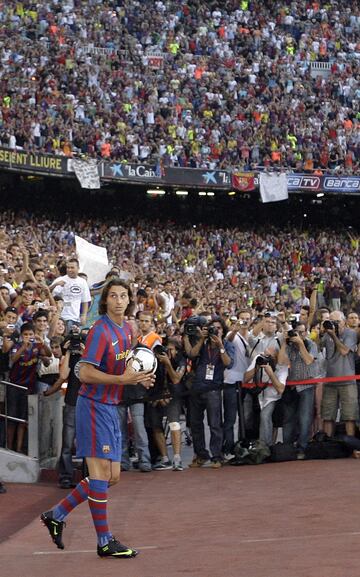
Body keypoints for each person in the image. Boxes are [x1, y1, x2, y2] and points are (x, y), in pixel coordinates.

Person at [41, 279, 154, 558]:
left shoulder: (127, 330)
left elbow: (126, 365)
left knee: (111, 477)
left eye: (123, 295)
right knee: (101, 476)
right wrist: (121, 379)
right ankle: (104, 541)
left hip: (111, 407)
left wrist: (139, 377)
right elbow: (83, 372)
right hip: (92, 406)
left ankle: (56, 514)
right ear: (105, 301)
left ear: (129, 300)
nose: (118, 300)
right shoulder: (100, 332)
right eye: (113, 295)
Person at [185, 316, 234, 468]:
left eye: (219, 328)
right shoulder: (203, 342)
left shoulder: (227, 344)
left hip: (213, 388)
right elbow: (192, 354)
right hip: (197, 387)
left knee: (215, 424)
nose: (216, 331)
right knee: (195, 424)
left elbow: (228, 364)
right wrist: (201, 339)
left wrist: (220, 346)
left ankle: (217, 456)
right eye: (213, 328)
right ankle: (201, 455)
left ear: (223, 330)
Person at [281, 322, 318, 459]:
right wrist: (285, 343)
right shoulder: (289, 345)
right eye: (297, 332)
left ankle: (302, 448)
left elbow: (309, 360)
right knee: (288, 418)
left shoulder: (311, 344)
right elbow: (281, 361)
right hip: (291, 387)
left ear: (306, 333)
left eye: (302, 332)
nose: (299, 335)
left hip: (307, 386)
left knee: (304, 418)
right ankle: (287, 448)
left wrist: (301, 343)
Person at [320, 311, 358, 437]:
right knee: (327, 415)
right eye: (332, 321)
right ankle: (327, 446)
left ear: (344, 322)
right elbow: (316, 347)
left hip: (347, 381)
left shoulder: (350, 333)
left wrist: (333, 335)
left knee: (349, 416)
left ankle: (351, 445)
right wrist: (321, 331)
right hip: (330, 381)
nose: (335, 324)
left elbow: (344, 350)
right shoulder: (326, 335)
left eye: (337, 322)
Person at [51, 258, 91, 331]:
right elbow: (49, 296)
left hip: (76, 318)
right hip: (61, 318)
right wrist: (55, 285)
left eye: (72, 268)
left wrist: (84, 315)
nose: (69, 270)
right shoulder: (60, 280)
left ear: (78, 268)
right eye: (68, 267)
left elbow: (85, 301)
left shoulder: (82, 282)